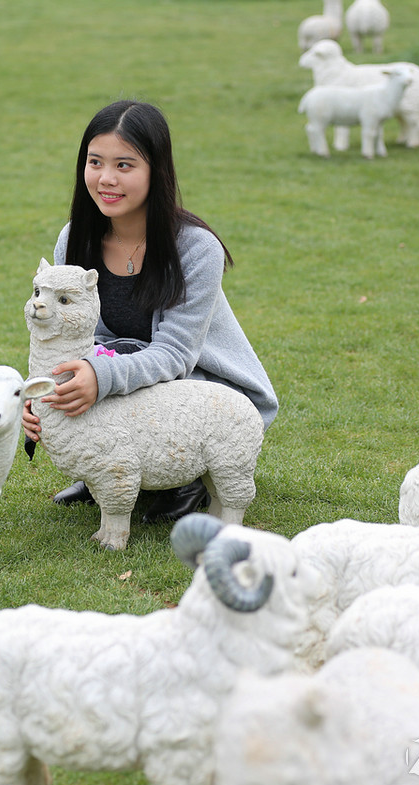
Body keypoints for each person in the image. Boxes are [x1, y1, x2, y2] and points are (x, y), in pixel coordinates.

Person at [22, 99, 279, 524]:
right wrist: (45, 392)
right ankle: (100, 466)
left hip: (202, 385)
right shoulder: (74, 241)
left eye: (124, 165)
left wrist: (100, 377)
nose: (106, 178)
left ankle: (187, 474)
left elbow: (176, 355)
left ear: (156, 171)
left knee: (128, 383)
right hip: (127, 370)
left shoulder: (195, 249)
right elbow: (80, 340)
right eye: (95, 162)